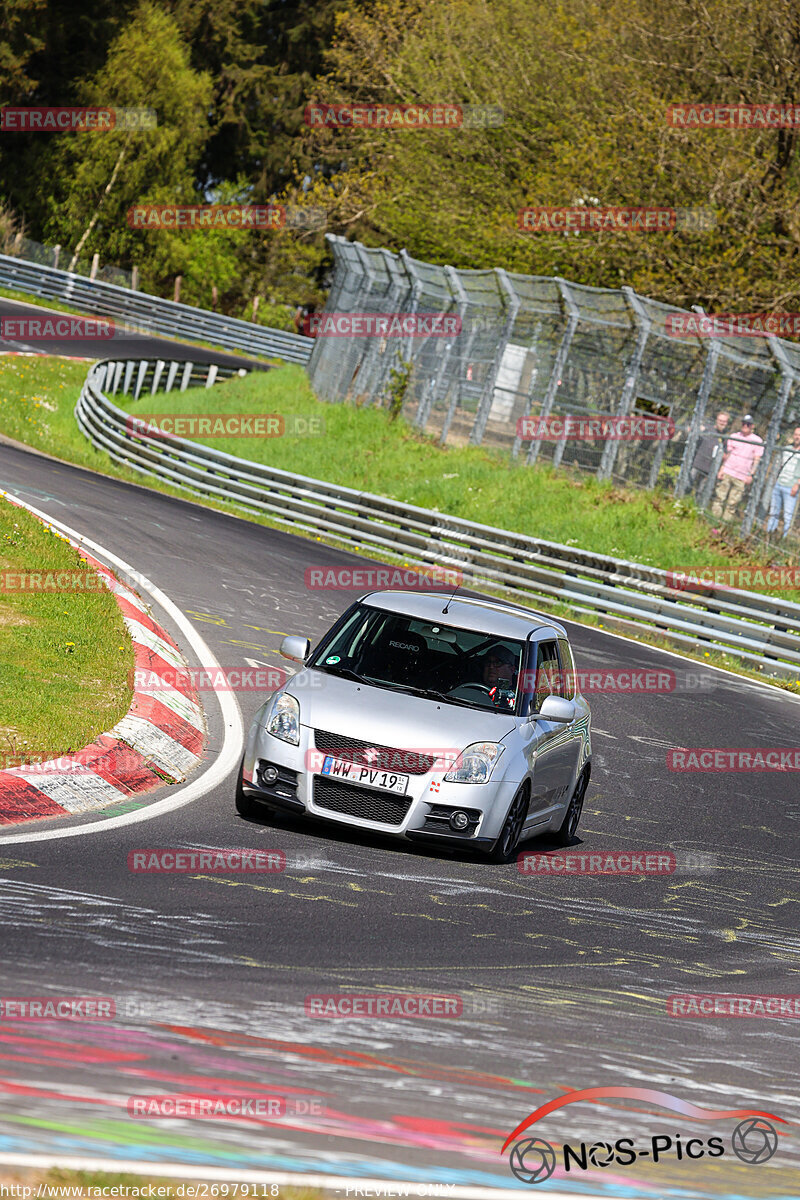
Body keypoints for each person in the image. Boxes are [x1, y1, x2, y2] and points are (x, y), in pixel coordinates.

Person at [710, 414, 764, 522]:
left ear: (752, 426)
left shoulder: (757, 441)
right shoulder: (734, 436)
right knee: (719, 497)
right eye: (744, 423)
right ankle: (713, 519)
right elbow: (728, 454)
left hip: (742, 476)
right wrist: (722, 469)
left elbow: (757, 460)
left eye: (748, 424)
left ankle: (724, 524)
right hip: (728, 471)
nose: (745, 426)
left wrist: (751, 474)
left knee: (732, 503)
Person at [766, 426, 800, 537]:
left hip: (791, 487)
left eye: (799, 435)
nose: (797, 437)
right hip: (779, 483)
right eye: (796, 434)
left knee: (787, 515)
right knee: (773, 512)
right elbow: (779, 464)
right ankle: (768, 535)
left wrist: (797, 484)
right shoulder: (786, 449)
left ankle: (783, 539)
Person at [689, 410, 730, 498]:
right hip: (697, 463)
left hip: (709, 468)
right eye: (720, 420)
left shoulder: (725, 438)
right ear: (716, 420)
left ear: (727, 423)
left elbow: (726, 454)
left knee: (700, 492)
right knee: (688, 484)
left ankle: (694, 508)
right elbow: (695, 431)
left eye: (724, 421)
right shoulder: (707, 428)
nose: (722, 423)